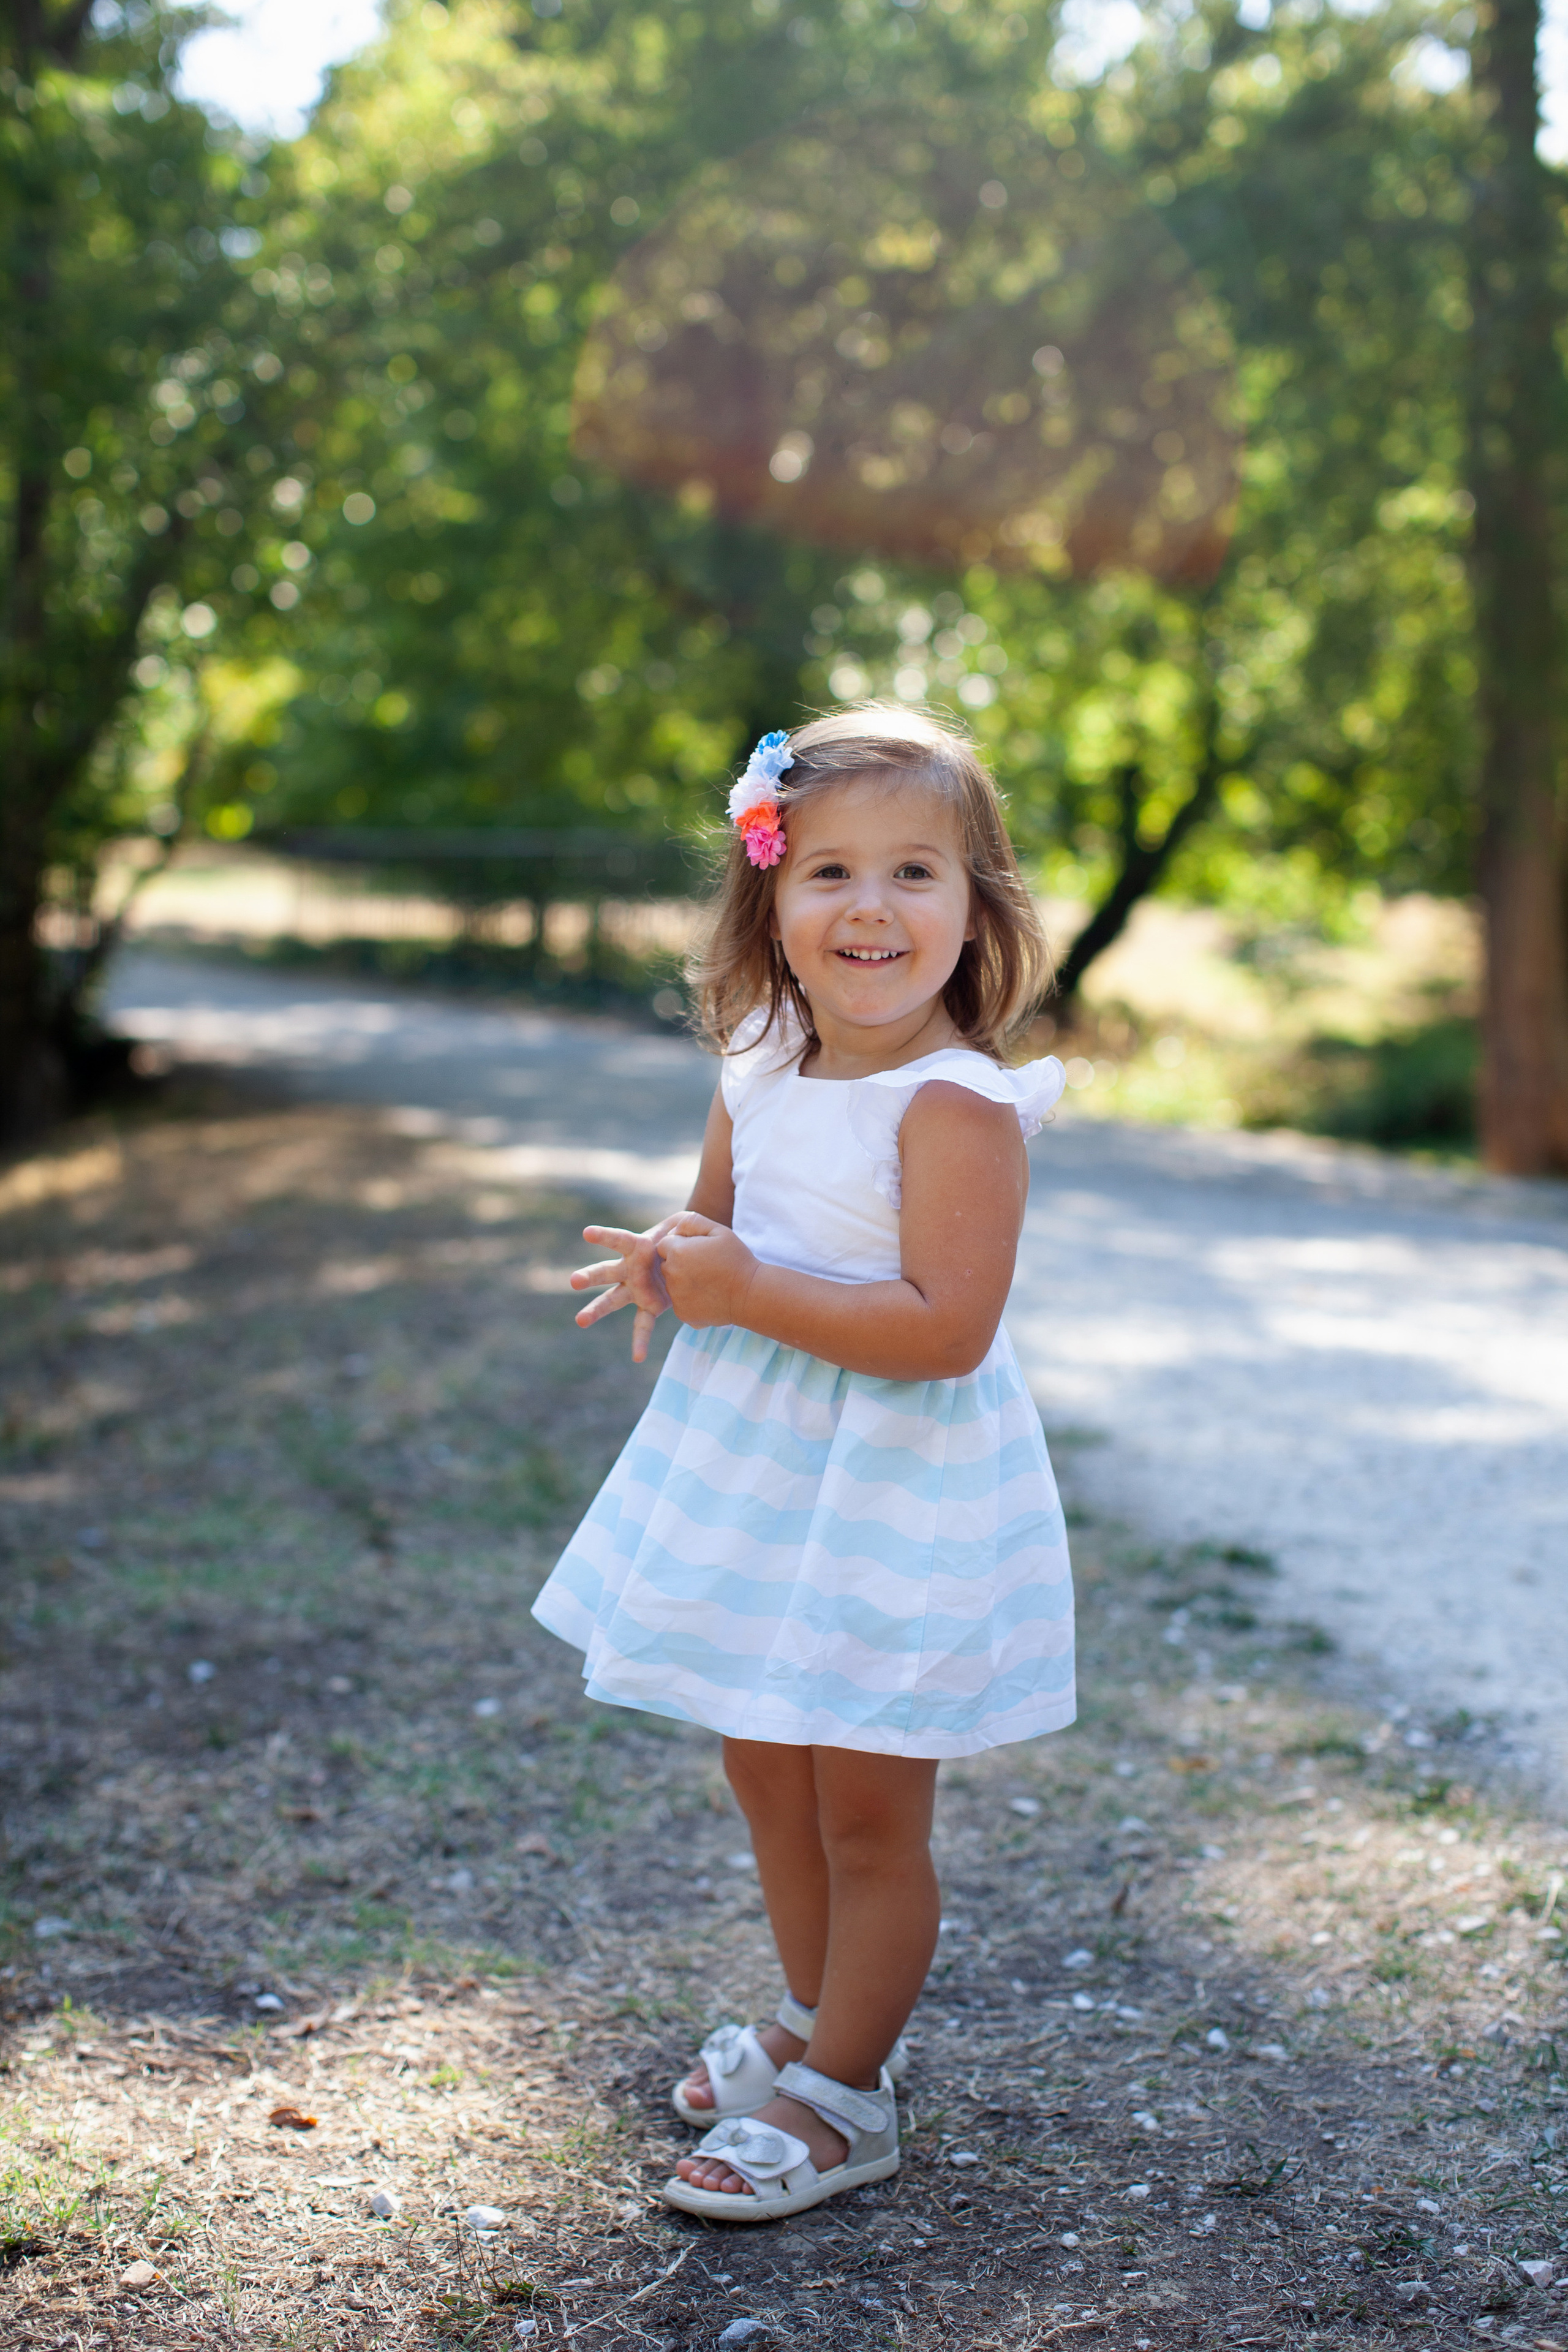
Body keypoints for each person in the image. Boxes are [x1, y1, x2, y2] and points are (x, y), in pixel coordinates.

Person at [531, 703, 1075, 2222]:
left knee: (864, 1806)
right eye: (829, 871)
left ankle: (848, 2092)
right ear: (769, 893)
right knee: (762, 1759)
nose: (871, 907)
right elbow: (720, 1225)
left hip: (891, 1484)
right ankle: (814, 2008)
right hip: (761, 1468)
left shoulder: (957, 1106)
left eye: (916, 872)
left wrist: (744, 1291)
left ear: (975, 909)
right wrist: (666, 1260)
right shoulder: (762, 1058)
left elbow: (944, 1330)